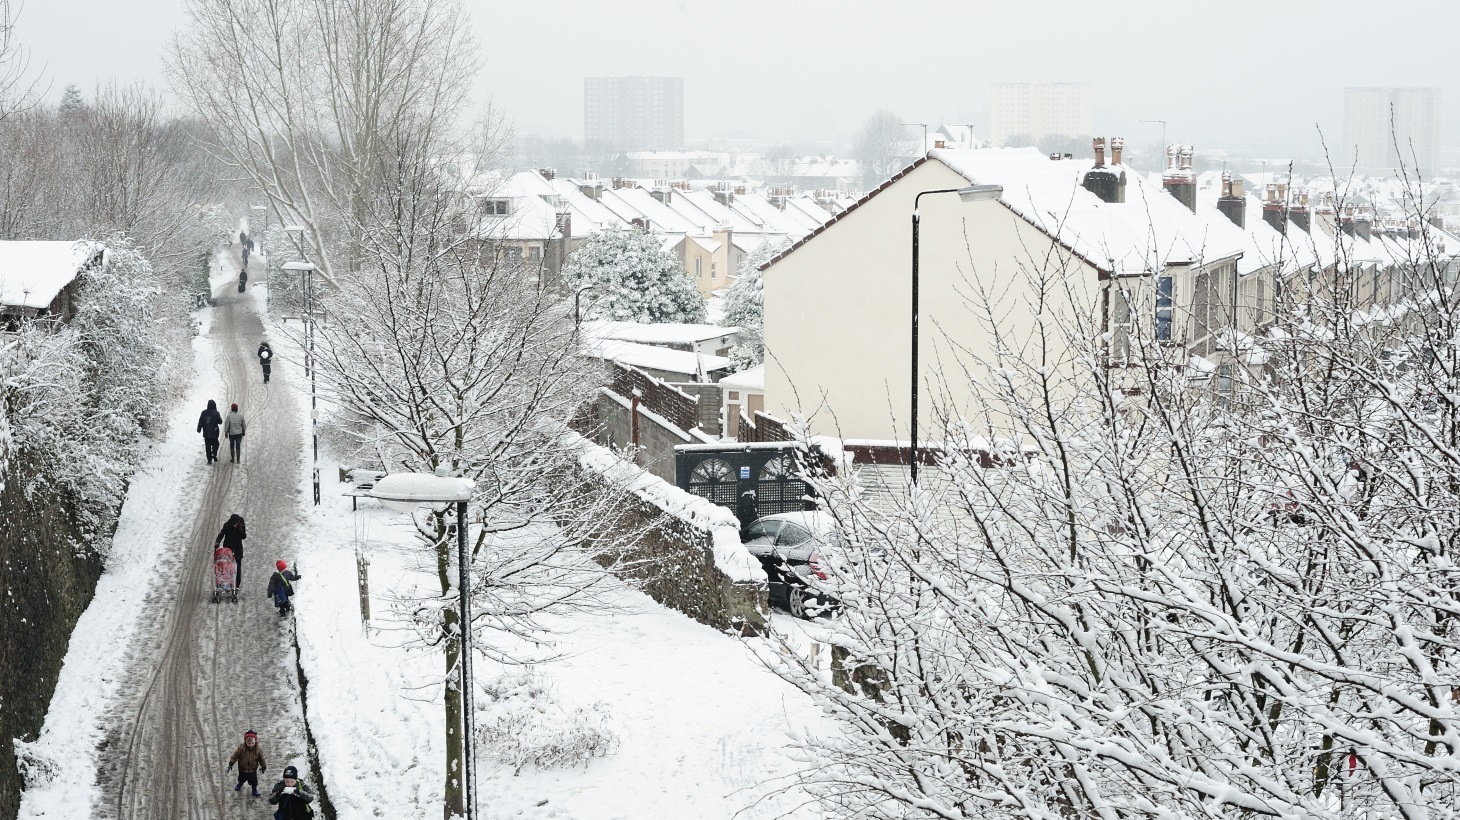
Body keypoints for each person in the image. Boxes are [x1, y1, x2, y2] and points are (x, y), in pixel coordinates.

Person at [227, 729, 267, 797]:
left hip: (252, 769)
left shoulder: (258, 749)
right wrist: (231, 763)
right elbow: (235, 756)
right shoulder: (241, 749)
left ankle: (254, 790)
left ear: (255, 741)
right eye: (249, 743)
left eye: (252, 743)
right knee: (241, 778)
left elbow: (261, 758)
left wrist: (263, 766)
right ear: (245, 741)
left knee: (254, 781)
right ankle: (240, 783)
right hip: (242, 768)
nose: (250, 745)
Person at [214, 514, 247, 588]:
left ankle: (237, 585)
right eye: (233, 523)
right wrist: (217, 542)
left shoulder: (241, 524)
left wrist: (239, 529)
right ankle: (224, 582)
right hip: (228, 548)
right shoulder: (227, 525)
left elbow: (244, 536)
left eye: (235, 524)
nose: (234, 525)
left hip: (237, 548)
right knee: (225, 566)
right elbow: (221, 535)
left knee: (237, 567)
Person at [197, 399, 223, 464]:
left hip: (206, 432)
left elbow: (201, 421)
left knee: (207, 446)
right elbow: (220, 422)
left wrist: (199, 428)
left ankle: (209, 459)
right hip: (214, 432)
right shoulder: (216, 413)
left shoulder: (203, 412)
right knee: (215, 444)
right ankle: (214, 453)